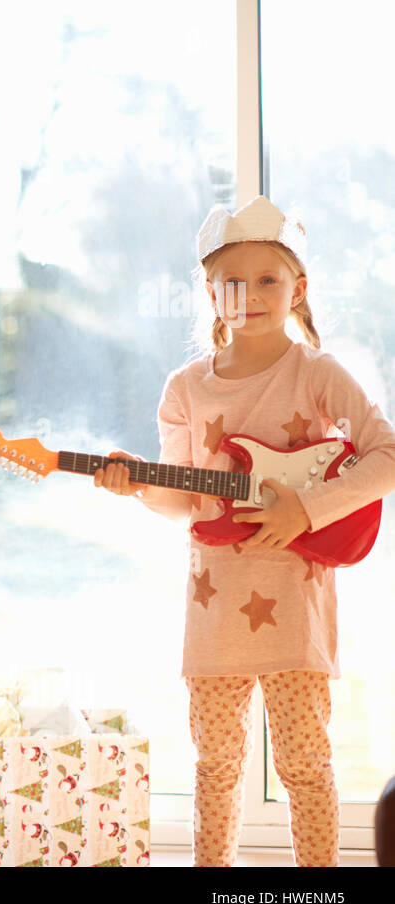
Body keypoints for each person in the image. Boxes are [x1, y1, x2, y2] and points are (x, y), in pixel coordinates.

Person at [94, 195, 395, 866]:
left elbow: (387, 456)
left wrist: (306, 512)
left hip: (295, 607)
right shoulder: (185, 388)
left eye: (268, 279)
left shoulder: (317, 374)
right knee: (216, 765)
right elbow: (184, 499)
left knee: (306, 765)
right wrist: (140, 483)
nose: (250, 295)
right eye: (233, 280)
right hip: (214, 606)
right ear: (209, 291)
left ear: (299, 288)